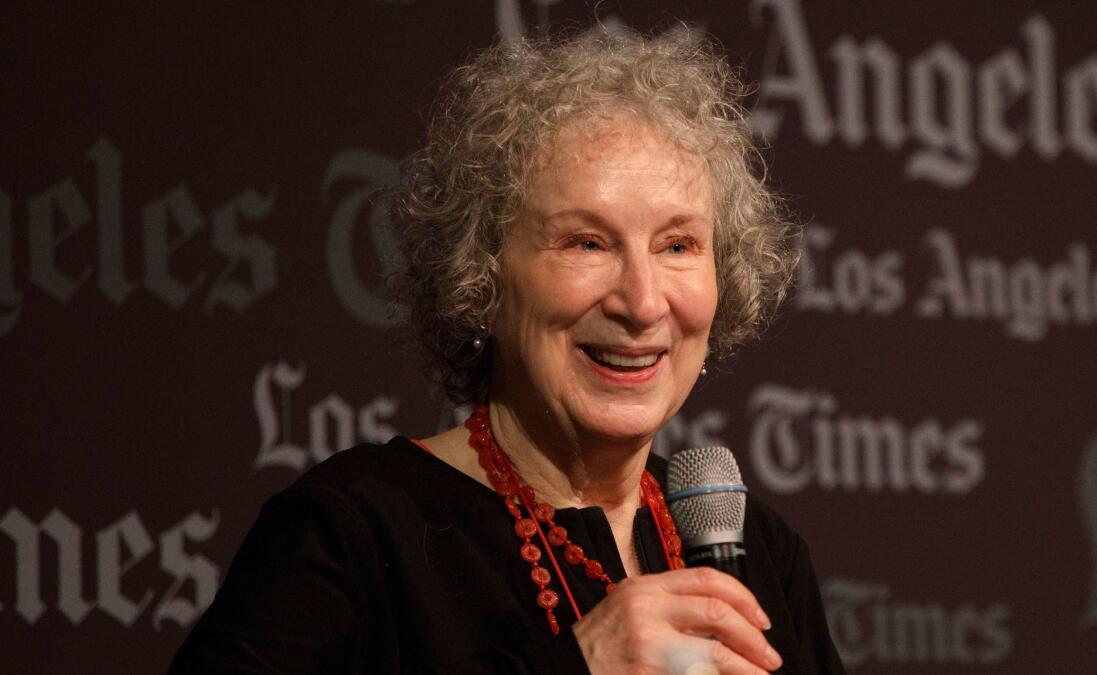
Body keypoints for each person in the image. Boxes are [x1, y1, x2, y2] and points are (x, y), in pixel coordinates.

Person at [169, 28, 844, 675]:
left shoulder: (764, 556)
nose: (642, 302)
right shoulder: (351, 533)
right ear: (482, 272)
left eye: (677, 246)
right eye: (586, 242)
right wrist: (574, 665)